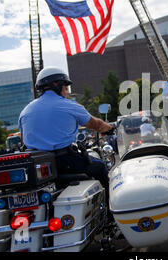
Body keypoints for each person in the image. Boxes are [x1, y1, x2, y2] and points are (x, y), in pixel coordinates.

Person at [18, 66, 113, 194]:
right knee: (100, 166)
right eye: (66, 86)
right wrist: (109, 128)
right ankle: (109, 211)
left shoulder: (26, 110)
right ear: (57, 84)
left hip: (35, 167)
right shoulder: (69, 105)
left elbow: (23, 138)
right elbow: (96, 124)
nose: (67, 91)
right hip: (65, 162)